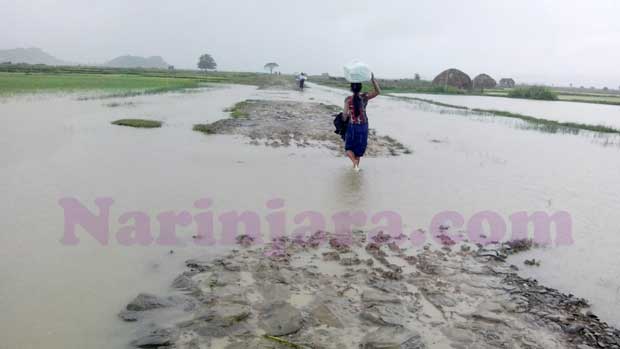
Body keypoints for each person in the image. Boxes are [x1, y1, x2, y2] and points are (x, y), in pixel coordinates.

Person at [342, 73, 381, 171]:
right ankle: (356, 168)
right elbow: (378, 92)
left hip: (353, 126)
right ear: (360, 88)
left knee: (349, 149)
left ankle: (354, 163)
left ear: (351, 89)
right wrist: (373, 80)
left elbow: (344, 115)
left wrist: (345, 118)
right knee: (358, 151)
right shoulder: (364, 96)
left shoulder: (348, 99)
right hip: (363, 126)